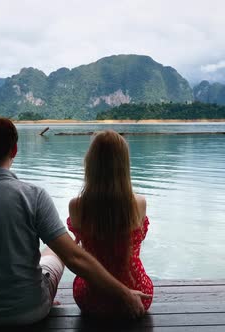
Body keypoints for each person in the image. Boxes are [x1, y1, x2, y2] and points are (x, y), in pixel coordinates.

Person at [0, 115, 151, 326]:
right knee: (56, 252)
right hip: (32, 309)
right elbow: (74, 258)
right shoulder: (34, 195)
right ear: (14, 150)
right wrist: (124, 294)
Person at [67, 130, 153, 315]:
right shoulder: (139, 203)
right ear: (124, 165)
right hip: (139, 295)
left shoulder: (76, 206)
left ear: (91, 163)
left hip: (91, 298)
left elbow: (78, 245)